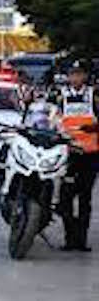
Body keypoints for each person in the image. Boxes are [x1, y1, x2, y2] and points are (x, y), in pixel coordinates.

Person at [56, 61, 98, 252]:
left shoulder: (94, 95)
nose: (75, 78)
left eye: (79, 74)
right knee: (65, 198)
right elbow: (49, 118)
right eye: (72, 74)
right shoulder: (60, 95)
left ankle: (81, 240)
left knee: (84, 198)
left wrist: (94, 127)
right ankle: (70, 237)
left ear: (85, 76)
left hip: (90, 154)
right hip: (68, 154)